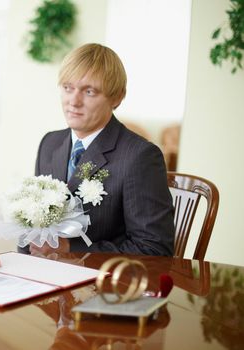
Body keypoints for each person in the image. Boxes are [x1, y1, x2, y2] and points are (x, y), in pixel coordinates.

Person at [24, 43, 174, 256]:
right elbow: (33, 225)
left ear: (117, 97)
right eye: (68, 88)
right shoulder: (50, 143)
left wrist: (71, 249)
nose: (74, 102)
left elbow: (154, 249)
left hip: (105, 284)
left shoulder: (140, 157)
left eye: (89, 91)